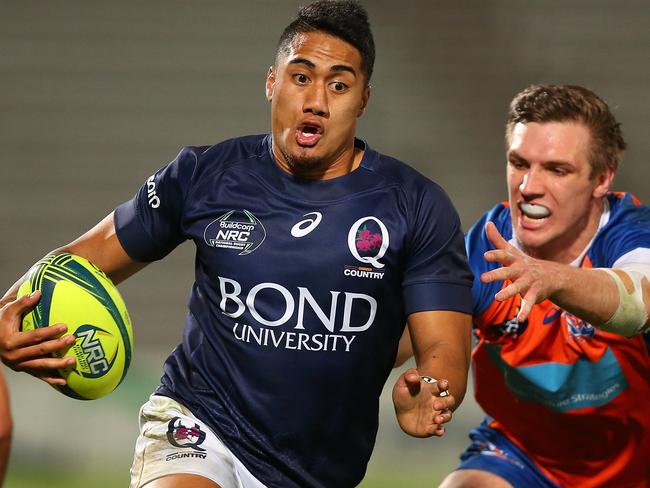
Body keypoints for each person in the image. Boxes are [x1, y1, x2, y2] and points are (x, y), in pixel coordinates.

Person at [0, 1, 474, 487]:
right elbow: (84, 257)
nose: (316, 101)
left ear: (363, 99)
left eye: (338, 84)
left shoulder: (415, 207)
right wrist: (7, 314)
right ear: (272, 82)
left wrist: (432, 388)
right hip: (198, 426)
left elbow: (444, 344)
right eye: (301, 77)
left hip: (318, 470)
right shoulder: (206, 175)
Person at [437, 84, 650, 487]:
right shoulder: (487, 244)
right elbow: (419, 326)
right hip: (527, 457)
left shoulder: (632, 236)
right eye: (519, 163)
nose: (529, 187)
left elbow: (640, 302)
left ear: (602, 178)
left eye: (557, 169)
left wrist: (554, 277)